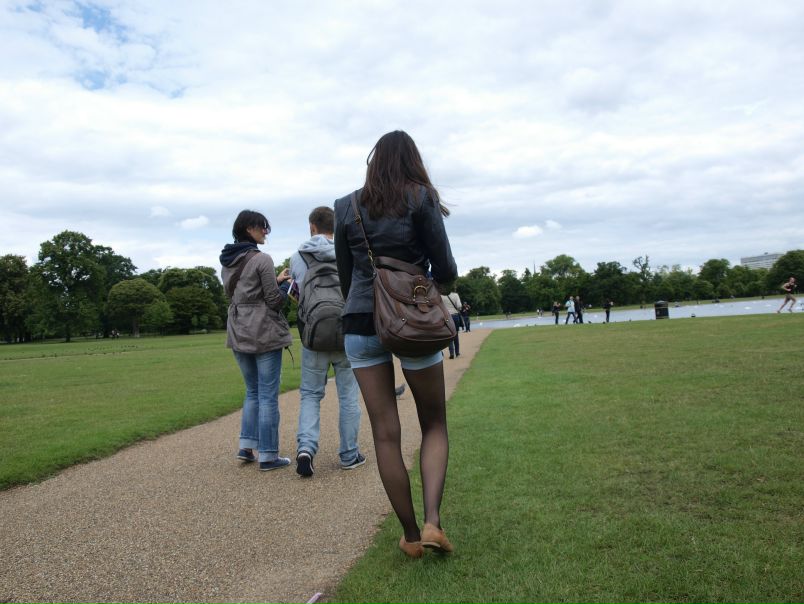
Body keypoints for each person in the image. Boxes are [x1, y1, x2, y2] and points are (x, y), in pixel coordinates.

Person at [334, 130, 458, 559]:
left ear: (374, 161)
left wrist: (369, 301)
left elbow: (347, 276)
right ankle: (432, 523)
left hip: (360, 321)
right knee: (434, 424)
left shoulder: (346, 206)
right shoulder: (421, 198)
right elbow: (446, 268)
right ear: (412, 160)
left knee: (385, 435)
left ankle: (409, 537)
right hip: (411, 320)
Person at [290, 206, 364, 478]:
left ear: (312, 226)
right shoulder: (348, 251)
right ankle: (349, 454)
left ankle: (306, 449)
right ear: (336, 226)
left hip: (314, 335)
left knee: (310, 395)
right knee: (348, 396)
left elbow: (298, 296)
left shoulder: (298, 256)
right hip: (347, 331)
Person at [220, 210, 293, 471]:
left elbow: (246, 292)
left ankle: (246, 446)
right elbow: (273, 301)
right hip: (263, 330)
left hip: (238, 328)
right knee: (268, 395)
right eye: (263, 227)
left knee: (252, 391)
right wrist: (286, 287)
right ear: (249, 228)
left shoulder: (227, 261)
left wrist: (275, 280)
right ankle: (268, 455)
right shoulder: (262, 259)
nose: (266, 232)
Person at [442, 291, 463, 358]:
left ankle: (451, 353)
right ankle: (457, 352)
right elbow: (459, 306)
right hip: (455, 316)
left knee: (450, 335)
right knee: (456, 335)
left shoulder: (441, 296)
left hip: (447, 316)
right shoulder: (455, 295)